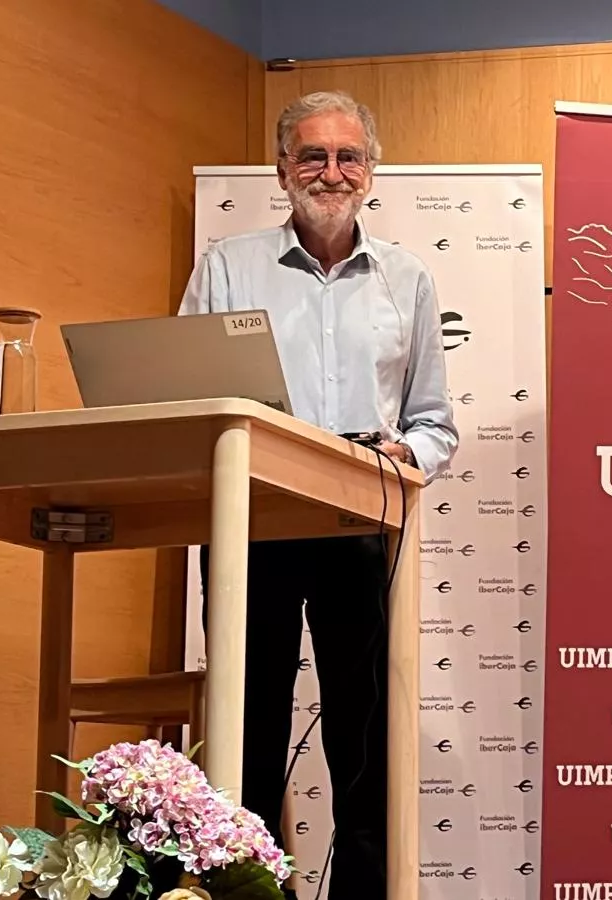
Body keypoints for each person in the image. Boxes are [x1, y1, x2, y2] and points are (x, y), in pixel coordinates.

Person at [178, 90, 458, 898]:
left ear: (370, 171)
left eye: (348, 157)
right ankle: (245, 892)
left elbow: (435, 424)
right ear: (281, 170)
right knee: (247, 732)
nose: (331, 172)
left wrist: (404, 452)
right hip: (251, 524)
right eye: (313, 156)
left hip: (360, 525)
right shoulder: (228, 267)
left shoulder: (408, 278)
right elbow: (187, 398)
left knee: (366, 745)